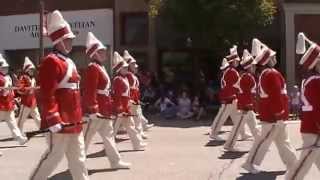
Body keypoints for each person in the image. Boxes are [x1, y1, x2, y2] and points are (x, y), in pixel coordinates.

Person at [29, 10, 89, 180]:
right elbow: (47, 94)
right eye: (67, 40)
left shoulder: (68, 61)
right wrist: (53, 118)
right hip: (61, 121)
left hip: (74, 120)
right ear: (59, 41)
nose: (71, 42)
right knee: (52, 158)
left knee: (79, 160)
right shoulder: (51, 61)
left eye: (71, 40)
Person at [242, 38, 297, 174]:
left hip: (274, 115)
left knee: (283, 141)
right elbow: (276, 96)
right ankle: (249, 163)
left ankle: (293, 164)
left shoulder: (265, 74)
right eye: (273, 57)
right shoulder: (271, 74)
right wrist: (279, 115)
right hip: (273, 116)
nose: (275, 58)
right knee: (264, 141)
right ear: (268, 60)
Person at [82, 32, 131, 169]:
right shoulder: (93, 67)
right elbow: (90, 90)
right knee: (85, 139)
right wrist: (92, 109)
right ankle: (78, 164)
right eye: (101, 51)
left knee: (109, 137)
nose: (104, 53)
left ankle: (115, 161)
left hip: (104, 109)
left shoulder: (100, 67)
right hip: (96, 111)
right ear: (94, 53)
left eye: (104, 51)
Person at [285, 33, 320, 180]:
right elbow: (318, 107)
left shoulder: (311, 79)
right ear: (315, 64)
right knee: (304, 163)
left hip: (312, 125)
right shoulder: (315, 81)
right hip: (314, 127)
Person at [210, 45, 250, 141]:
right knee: (223, 116)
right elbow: (233, 85)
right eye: (237, 60)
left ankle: (243, 133)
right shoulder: (231, 71)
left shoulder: (231, 71)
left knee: (237, 117)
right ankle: (214, 133)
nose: (239, 61)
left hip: (231, 97)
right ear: (233, 61)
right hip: (229, 98)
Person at [224, 49, 260, 152]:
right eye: (253, 66)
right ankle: (229, 145)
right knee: (238, 127)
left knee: (254, 127)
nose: (255, 67)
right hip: (245, 107)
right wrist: (247, 104)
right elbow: (245, 93)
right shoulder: (247, 77)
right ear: (249, 67)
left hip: (248, 106)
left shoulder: (246, 76)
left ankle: (259, 143)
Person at [111, 52, 146, 150]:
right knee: (113, 129)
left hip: (125, 106)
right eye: (124, 68)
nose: (127, 69)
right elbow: (117, 95)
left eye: (127, 67)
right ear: (119, 69)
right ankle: (108, 146)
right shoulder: (117, 79)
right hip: (120, 107)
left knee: (131, 126)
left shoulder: (124, 78)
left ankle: (137, 144)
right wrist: (119, 107)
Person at [123, 50, 153, 139]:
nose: (135, 66)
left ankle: (140, 131)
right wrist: (130, 99)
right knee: (134, 118)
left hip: (135, 99)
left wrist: (137, 99)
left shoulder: (133, 75)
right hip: (130, 100)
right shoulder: (128, 75)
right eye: (133, 64)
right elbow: (127, 89)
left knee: (137, 117)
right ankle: (139, 134)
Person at [0, 54, 27, 145]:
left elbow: (11, 90)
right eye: (3, 68)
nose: (5, 69)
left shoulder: (8, 77)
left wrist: (14, 99)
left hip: (8, 104)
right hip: (1, 105)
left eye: (6, 67)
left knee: (13, 123)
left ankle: (19, 138)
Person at [16, 57, 41, 133]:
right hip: (26, 103)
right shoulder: (23, 77)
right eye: (30, 69)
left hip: (33, 102)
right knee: (21, 119)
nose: (32, 71)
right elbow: (20, 89)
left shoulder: (33, 78)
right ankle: (18, 133)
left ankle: (43, 129)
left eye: (32, 70)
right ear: (27, 70)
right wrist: (28, 89)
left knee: (37, 118)